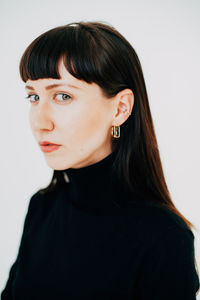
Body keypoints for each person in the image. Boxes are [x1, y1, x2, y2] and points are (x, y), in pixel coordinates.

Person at [1, 21, 199, 300]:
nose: (39, 122)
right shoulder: (43, 207)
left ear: (120, 109)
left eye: (63, 95)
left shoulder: (164, 238)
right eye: (33, 96)